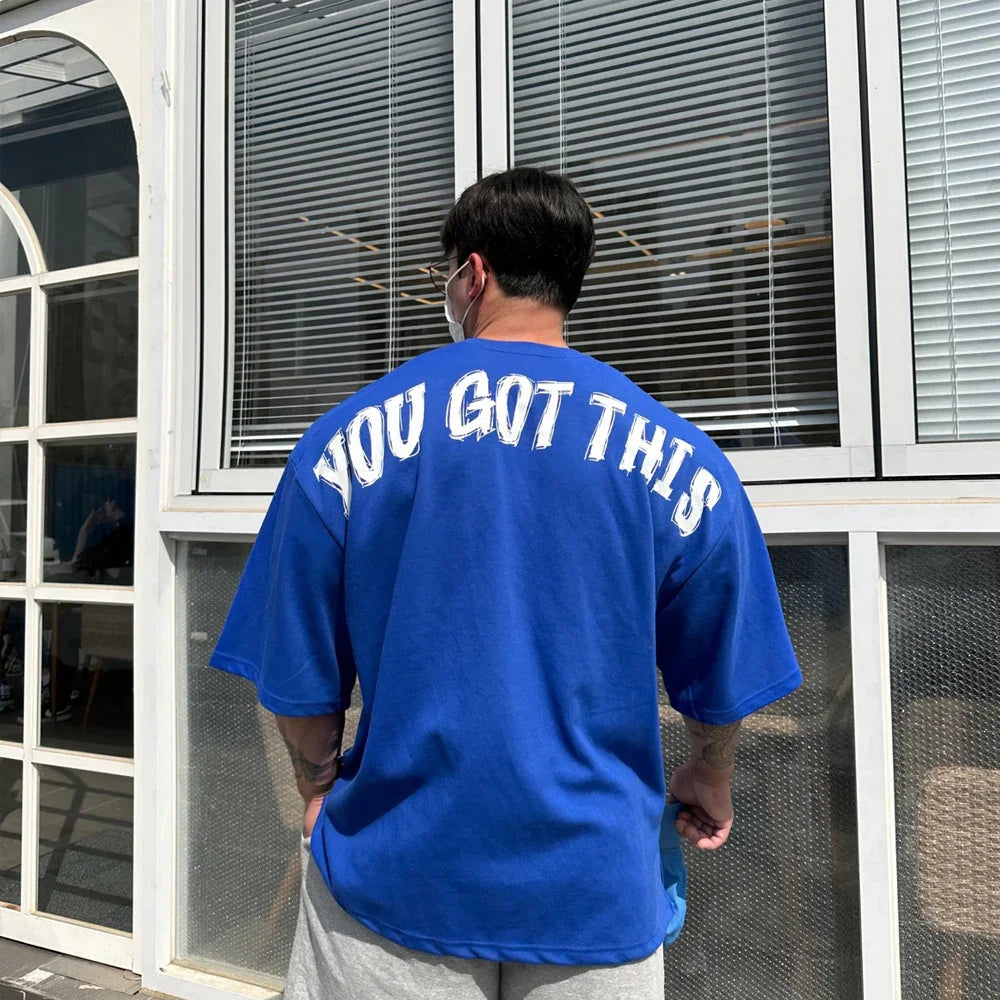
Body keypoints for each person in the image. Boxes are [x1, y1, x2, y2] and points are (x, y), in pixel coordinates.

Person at [209, 167, 802, 1000]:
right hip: (593, 888)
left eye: (447, 275)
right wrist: (711, 771)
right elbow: (724, 676)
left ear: (474, 275)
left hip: (397, 871)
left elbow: (299, 681)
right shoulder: (681, 458)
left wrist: (315, 785)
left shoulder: (344, 443)